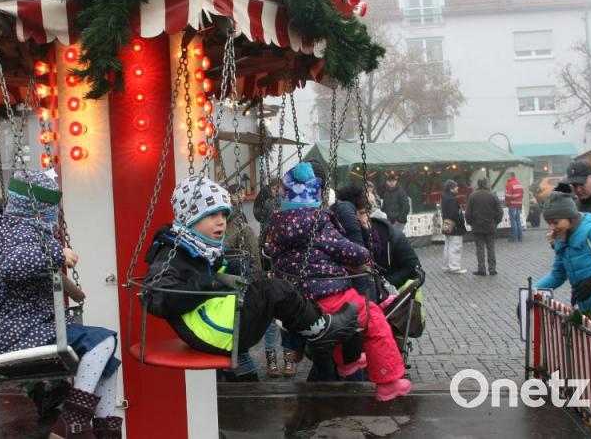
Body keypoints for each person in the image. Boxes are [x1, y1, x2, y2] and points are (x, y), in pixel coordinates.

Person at [143, 174, 361, 384]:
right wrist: (208, 282)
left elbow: (205, 272)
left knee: (273, 290)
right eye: (212, 215)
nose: (221, 222)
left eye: (223, 215)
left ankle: (312, 333)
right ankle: (320, 330)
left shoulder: (194, 247)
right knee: (271, 290)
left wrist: (224, 270)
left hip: (218, 325)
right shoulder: (172, 253)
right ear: (190, 218)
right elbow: (156, 298)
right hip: (216, 332)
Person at [0, 170, 123, 439]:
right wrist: (57, 252)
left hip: (34, 326)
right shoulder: (18, 232)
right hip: (22, 330)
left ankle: (106, 431)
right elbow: (10, 266)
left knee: (109, 363)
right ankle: (73, 420)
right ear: (42, 209)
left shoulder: (14, 232)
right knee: (103, 341)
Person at [266, 163, 411, 400]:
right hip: (326, 297)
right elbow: (351, 252)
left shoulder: (279, 227)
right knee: (373, 319)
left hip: (297, 300)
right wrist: (364, 255)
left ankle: (347, 364)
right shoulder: (319, 224)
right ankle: (388, 381)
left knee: (350, 319)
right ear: (317, 199)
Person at [534, 184, 591, 314]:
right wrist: (531, 292)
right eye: (549, 223)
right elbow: (557, 275)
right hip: (587, 310)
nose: (552, 228)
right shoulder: (562, 239)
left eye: (556, 222)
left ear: (570, 217)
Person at [221, 185, 281, 381]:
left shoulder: (242, 230)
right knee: (230, 345)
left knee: (238, 346)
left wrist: (247, 289)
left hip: (237, 293)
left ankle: (248, 379)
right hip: (218, 296)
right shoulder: (212, 231)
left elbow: (255, 264)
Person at [338, 183, 423, 289]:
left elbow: (414, 269)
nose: (358, 220)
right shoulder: (341, 243)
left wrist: (383, 285)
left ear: (369, 213)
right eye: (349, 216)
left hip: (395, 299)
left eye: (362, 213)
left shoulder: (392, 237)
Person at [466, 178, 503, 276]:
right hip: (490, 225)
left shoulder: (473, 196)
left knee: (480, 248)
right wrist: (496, 222)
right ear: (486, 184)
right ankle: (492, 268)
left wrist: (470, 222)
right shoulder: (492, 195)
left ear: (478, 184)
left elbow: (468, 212)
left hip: (477, 225)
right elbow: (500, 212)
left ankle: (481, 268)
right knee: (491, 247)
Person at [441, 179, 468, 274]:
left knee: (448, 247)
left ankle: (446, 266)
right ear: (451, 188)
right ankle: (455, 267)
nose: (458, 188)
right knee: (456, 247)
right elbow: (455, 214)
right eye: (456, 187)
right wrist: (461, 221)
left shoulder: (444, 197)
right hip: (455, 227)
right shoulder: (452, 199)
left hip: (447, 225)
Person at [505, 172, 525, 242]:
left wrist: (507, 203)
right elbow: (522, 194)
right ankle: (520, 236)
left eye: (507, 176)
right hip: (519, 204)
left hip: (512, 204)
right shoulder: (519, 183)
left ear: (511, 176)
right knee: (518, 220)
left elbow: (508, 196)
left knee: (513, 221)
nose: (506, 178)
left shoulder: (510, 184)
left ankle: (514, 237)